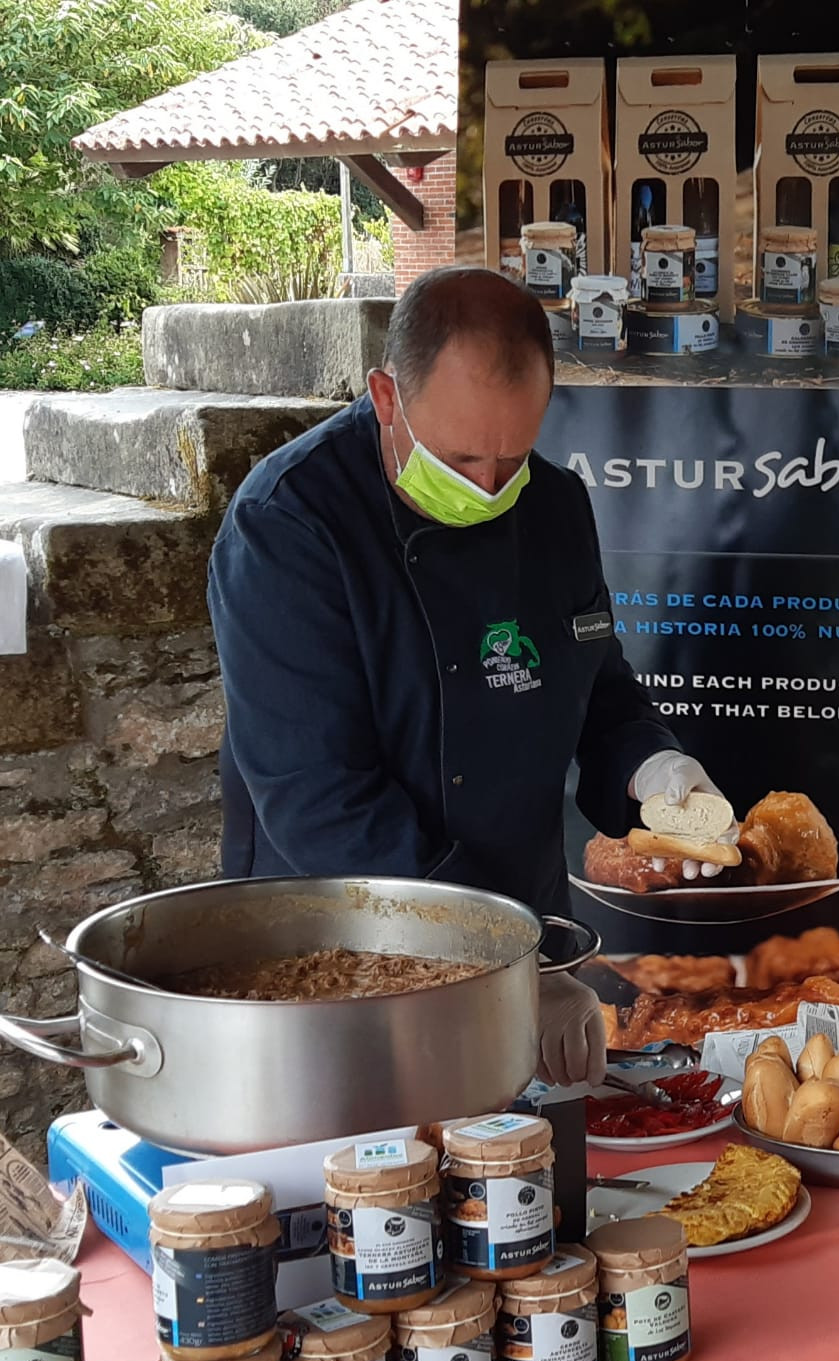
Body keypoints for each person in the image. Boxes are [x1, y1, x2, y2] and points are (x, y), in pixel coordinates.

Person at [209, 266, 728, 1086]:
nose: (487, 488)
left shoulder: (554, 507)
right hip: (340, 956)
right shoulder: (290, 524)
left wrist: (656, 770)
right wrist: (513, 960)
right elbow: (320, 800)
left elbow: (598, 691)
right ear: (387, 397)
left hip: (520, 928)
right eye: (458, 459)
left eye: (511, 457)